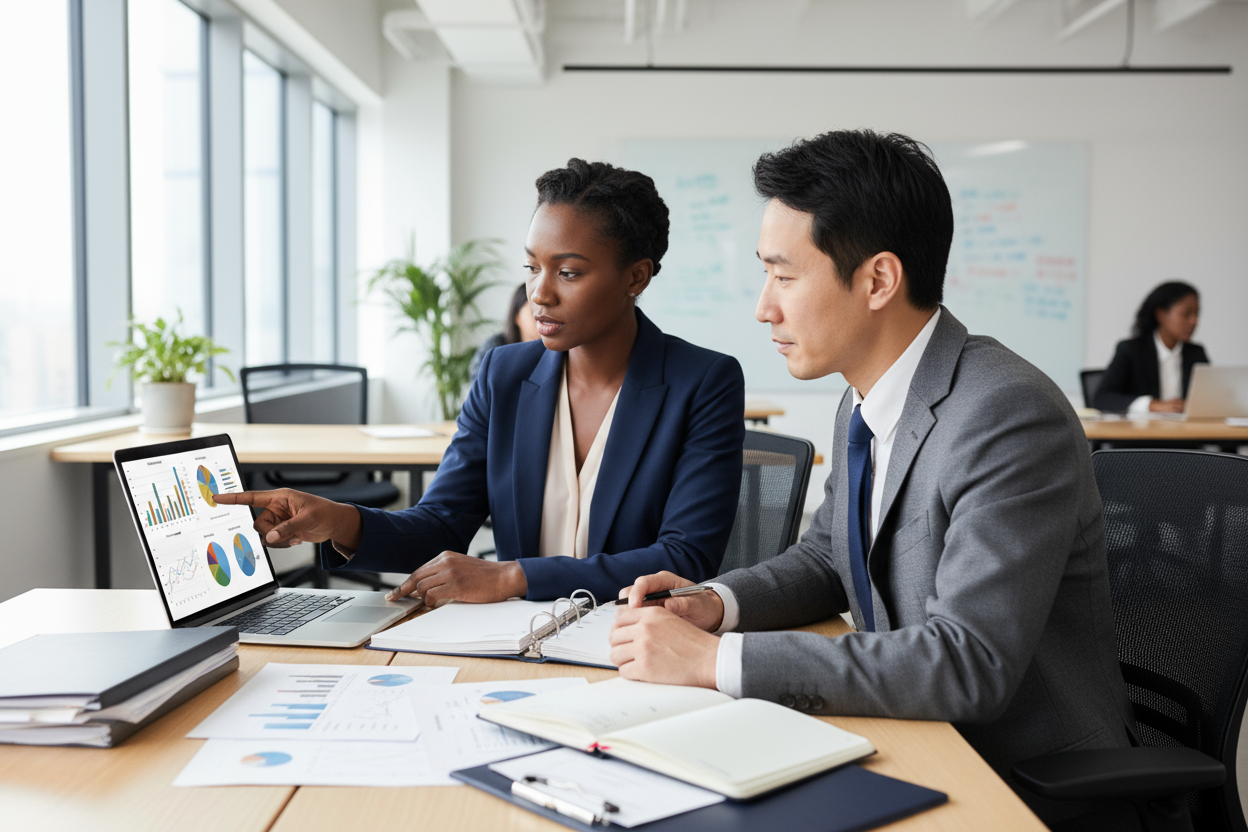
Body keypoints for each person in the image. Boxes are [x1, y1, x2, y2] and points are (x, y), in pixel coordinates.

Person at [609, 131, 1136, 829]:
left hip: (1015, 783)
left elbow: (966, 663)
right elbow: (831, 555)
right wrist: (715, 604)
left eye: (784, 276)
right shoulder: (864, 395)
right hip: (904, 736)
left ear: (879, 280)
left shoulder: (1006, 414)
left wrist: (718, 660)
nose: (764, 307)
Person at [215, 158, 745, 605]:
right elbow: (443, 522)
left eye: (568, 272)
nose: (539, 293)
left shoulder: (703, 382)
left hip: (636, 641)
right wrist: (342, 521)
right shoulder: (505, 374)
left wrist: (514, 575)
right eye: (532, 267)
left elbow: (684, 557)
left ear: (636, 276)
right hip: (513, 642)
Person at [1092, 281, 1207, 413]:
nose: (1194, 321)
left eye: (1196, 314)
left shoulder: (1196, 353)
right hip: (1142, 430)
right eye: (1186, 314)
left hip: (1186, 431)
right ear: (1161, 315)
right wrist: (1151, 405)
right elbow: (1102, 398)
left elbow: (1210, 398)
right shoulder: (1131, 349)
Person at [468, 282, 540, 381]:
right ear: (517, 316)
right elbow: (479, 389)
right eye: (534, 312)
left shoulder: (555, 353)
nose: (541, 317)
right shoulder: (494, 349)